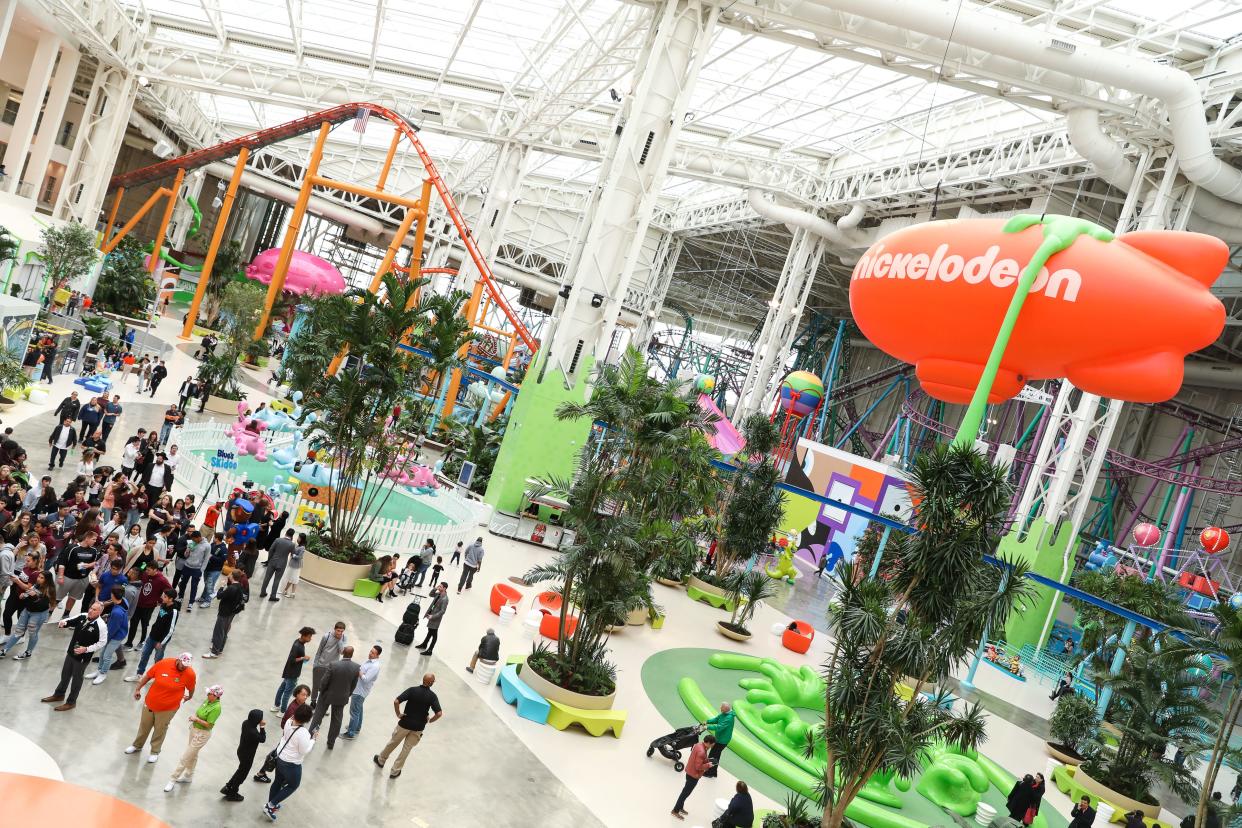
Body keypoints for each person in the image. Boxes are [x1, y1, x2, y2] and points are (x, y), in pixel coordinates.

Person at [127, 651, 197, 762]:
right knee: (144, 726)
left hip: (168, 708)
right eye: (182, 664)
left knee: (160, 729)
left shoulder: (190, 674)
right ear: (178, 660)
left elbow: (191, 687)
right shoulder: (164, 663)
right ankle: (137, 745)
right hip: (150, 702)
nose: (184, 667)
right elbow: (148, 676)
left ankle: (155, 752)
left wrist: (190, 696)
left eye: (187, 665)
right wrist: (137, 689)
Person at [372, 673, 443, 780]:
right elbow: (439, 713)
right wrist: (429, 721)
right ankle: (395, 771)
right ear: (431, 682)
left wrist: (398, 714)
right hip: (418, 727)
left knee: (393, 742)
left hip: (405, 723)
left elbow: (397, 701)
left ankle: (381, 760)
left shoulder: (412, 690)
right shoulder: (432, 696)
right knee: (406, 749)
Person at [40, 601, 106, 712]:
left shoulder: (101, 626)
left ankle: (71, 702)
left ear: (99, 612)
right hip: (71, 652)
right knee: (65, 675)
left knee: (76, 680)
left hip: (82, 658)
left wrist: (86, 649)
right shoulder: (83, 616)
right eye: (91, 607)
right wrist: (63, 622)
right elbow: (70, 620)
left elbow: (102, 642)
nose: (90, 610)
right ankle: (59, 694)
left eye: (94, 609)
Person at [164, 684, 223, 792]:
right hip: (194, 730)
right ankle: (188, 776)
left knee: (186, 756)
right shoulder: (207, 701)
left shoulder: (216, 708)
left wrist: (196, 719)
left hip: (202, 734)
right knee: (193, 754)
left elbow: (209, 725)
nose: (207, 694)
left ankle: (173, 779)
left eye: (209, 693)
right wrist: (195, 721)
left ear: (215, 696)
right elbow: (199, 711)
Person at [263, 701, 315, 820]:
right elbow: (304, 751)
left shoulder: (288, 721)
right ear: (307, 719)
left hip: (280, 757)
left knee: (278, 781)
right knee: (293, 785)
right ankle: (270, 806)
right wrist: (313, 740)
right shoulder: (303, 733)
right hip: (291, 763)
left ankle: (272, 803)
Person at [309, 644, 359, 750]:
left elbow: (324, 681)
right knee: (337, 720)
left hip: (326, 695)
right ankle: (331, 742)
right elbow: (354, 685)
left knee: (318, 716)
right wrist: (347, 694)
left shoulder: (333, 665)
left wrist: (322, 691)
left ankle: (311, 738)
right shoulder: (356, 667)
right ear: (352, 654)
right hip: (342, 697)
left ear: (343, 653)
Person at [0, 569, 56, 659]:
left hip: (38, 615)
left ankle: (28, 652)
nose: (38, 579)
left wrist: (34, 596)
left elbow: (42, 605)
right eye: (39, 576)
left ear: (47, 580)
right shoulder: (37, 585)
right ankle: (4, 650)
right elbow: (29, 592)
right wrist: (25, 595)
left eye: (42, 578)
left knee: (32, 634)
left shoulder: (49, 590)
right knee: (18, 631)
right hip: (27, 611)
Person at [127, 587, 179, 680]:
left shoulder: (174, 611)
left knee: (158, 659)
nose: (163, 598)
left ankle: (157, 677)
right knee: (144, 655)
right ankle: (139, 674)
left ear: (171, 599)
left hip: (160, 641)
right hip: (152, 637)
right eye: (163, 596)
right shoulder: (163, 605)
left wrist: (161, 642)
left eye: (165, 597)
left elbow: (170, 629)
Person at [87, 584, 130, 684]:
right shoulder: (123, 601)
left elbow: (112, 630)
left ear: (113, 595)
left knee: (106, 655)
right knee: (102, 653)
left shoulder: (117, 613)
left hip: (116, 636)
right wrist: (109, 615)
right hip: (115, 632)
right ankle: (99, 670)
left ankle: (103, 673)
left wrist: (104, 638)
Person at [221, 708, 266, 802]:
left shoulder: (245, 723)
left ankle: (228, 786)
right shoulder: (253, 732)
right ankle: (233, 793)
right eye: (260, 718)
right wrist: (262, 727)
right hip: (248, 756)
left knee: (240, 770)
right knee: (242, 775)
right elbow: (262, 739)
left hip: (241, 751)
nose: (262, 720)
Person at [55, 531, 100, 620]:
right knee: (57, 597)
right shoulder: (72, 548)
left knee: (73, 598)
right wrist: (60, 576)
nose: (95, 541)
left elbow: (96, 563)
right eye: (93, 539)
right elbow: (62, 563)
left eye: (95, 539)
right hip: (68, 577)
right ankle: (49, 612)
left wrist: (88, 565)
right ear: (87, 538)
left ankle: (66, 614)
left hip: (82, 578)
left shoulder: (94, 550)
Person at [671, 733, 715, 819]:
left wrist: (707, 760)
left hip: (689, 771)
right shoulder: (702, 751)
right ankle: (675, 810)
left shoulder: (699, 745)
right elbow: (698, 767)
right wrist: (708, 765)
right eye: (712, 744)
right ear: (709, 743)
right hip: (693, 775)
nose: (712, 746)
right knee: (685, 793)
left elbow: (698, 758)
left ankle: (680, 807)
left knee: (685, 792)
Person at [203, 570, 247, 658]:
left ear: (232, 576)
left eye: (230, 574)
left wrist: (221, 587)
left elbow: (219, 596)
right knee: (224, 631)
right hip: (232, 612)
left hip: (224, 612)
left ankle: (214, 652)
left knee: (218, 632)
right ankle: (219, 649)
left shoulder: (231, 588)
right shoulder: (239, 586)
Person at [342, 644, 382, 740]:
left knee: (354, 712)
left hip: (360, 691)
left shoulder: (375, 666)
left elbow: (366, 679)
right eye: (370, 651)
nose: (370, 653)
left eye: (373, 653)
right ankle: (356, 728)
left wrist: (359, 671)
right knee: (359, 709)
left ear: (377, 656)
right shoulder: (368, 661)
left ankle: (350, 733)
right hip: (358, 689)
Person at [274, 627, 315, 712]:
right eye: (309, 637)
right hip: (293, 673)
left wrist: (302, 658)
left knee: (282, 689)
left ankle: (276, 706)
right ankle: (282, 711)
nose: (310, 639)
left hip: (289, 671)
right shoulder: (298, 646)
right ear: (304, 636)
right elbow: (292, 660)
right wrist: (303, 658)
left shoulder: (298, 642)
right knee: (287, 693)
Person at [310, 621, 347, 706]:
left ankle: (323, 704)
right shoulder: (326, 636)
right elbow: (319, 650)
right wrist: (315, 664)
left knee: (328, 687)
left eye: (342, 631)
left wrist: (340, 640)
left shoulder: (344, 638)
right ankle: (313, 702)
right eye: (338, 630)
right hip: (321, 665)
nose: (340, 633)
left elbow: (342, 652)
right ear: (334, 629)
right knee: (316, 685)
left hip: (332, 667)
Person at [260, 529, 295, 601]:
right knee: (277, 580)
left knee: (267, 578)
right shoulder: (292, 544)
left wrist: (269, 559)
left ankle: (263, 592)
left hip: (273, 561)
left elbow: (271, 550)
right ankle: (272, 596)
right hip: (282, 564)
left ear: (286, 533)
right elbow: (293, 554)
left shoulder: (277, 540)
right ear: (292, 536)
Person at [703, 702, 734, 777]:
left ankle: (710, 773)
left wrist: (708, 727)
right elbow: (717, 719)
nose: (720, 708)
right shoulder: (724, 714)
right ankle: (713, 772)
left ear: (726, 709)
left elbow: (720, 727)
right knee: (716, 755)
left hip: (722, 741)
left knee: (713, 756)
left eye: (721, 707)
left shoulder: (729, 718)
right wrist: (707, 721)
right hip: (719, 738)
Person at [417, 582, 448, 655]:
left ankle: (430, 650)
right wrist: (435, 588)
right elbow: (430, 594)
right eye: (439, 586)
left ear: (444, 588)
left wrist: (433, 616)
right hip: (431, 615)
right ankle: (424, 644)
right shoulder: (438, 594)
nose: (439, 587)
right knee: (430, 631)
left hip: (435, 618)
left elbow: (442, 611)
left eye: (440, 587)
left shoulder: (445, 599)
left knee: (434, 634)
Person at [281, 534, 305, 599]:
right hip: (293, 564)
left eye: (299, 538)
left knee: (294, 579)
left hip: (296, 566)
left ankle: (291, 593)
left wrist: (293, 555)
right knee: (292, 578)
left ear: (302, 539)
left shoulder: (302, 547)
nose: (298, 538)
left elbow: (300, 557)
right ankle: (286, 591)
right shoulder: (299, 545)